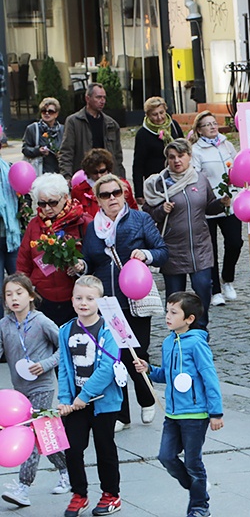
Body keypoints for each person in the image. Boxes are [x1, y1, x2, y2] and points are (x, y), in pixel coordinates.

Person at [75, 173, 168, 432]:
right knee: (113, 358)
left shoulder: (140, 219)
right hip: (106, 303)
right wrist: (80, 266)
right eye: (105, 195)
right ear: (98, 200)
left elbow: (163, 251)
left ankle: (147, 399)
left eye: (116, 192)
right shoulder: (93, 228)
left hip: (135, 299)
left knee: (138, 354)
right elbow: (89, 263)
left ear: (124, 193)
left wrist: (146, 254)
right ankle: (122, 414)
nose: (112, 198)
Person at [134, 291, 223, 517]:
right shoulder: (168, 342)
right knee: (166, 456)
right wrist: (150, 370)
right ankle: (198, 490)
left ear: (189, 319)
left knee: (193, 463)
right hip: (172, 414)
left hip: (195, 414)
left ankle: (199, 506)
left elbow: (209, 376)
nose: (167, 316)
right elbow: (168, 374)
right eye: (167, 311)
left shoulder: (197, 344)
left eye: (174, 312)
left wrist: (216, 412)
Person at [57, 275, 124, 517]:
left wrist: (85, 395)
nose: (83, 303)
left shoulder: (110, 329)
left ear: (100, 301)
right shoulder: (65, 330)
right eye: (79, 298)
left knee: (105, 448)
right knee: (73, 449)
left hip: (103, 403)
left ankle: (111, 494)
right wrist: (66, 398)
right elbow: (64, 367)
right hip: (75, 403)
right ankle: (79, 493)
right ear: (72, 299)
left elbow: (107, 367)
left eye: (89, 298)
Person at [144, 139, 228, 329]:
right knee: (175, 296)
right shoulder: (160, 183)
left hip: (200, 247)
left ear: (189, 156)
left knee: (203, 288)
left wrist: (222, 203)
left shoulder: (199, 178)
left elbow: (210, 207)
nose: (177, 161)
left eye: (181, 156)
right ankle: (177, 333)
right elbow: (148, 212)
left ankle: (200, 329)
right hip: (173, 249)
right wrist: (161, 211)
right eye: (172, 157)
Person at [0, 274, 69, 508]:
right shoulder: (4, 324)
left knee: (28, 433)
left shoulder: (41, 321)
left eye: (19, 293)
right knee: (43, 435)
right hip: (18, 392)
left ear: (30, 296)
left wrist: (46, 364)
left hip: (42, 386)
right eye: (9, 294)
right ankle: (66, 469)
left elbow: (65, 348)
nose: (14, 298)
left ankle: (23, 488)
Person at [17, 173, 92, 327]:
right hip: (43, 297)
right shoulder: (35, 225)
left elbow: (95, 257)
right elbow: (24, 261)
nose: (47, 208)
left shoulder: (83, 221)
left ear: (65, 198)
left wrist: (81, 265)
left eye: (52, 202)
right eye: (42, 204)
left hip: (75, 297)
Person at [189, 111, 242, 307]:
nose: (213, 127)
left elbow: (238, 168)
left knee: (235, 243)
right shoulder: (196, 150)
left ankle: (227, 278)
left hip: (230, 203)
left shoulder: (226, 144)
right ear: (199, 130)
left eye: (214, 123)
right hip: (208, 205)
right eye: (207, 124)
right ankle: (215, 291)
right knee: (211, 249)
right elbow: (195, 177)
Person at [58, 83, 125, 180]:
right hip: (84, 176)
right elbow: (66, 152)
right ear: (87, 98)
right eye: (98, 97)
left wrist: (121, 178)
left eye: (104, 98)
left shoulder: (111, 124)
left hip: (107, 177)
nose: (102, 101)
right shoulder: (74, 121)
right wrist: (67, 177)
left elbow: (118, 156)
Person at [132, 97, 183, 205]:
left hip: (177, 178)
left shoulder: (174, 126)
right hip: (156, 183)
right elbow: (138, 165)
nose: (159, 117)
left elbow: (184, 149)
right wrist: (139, 193)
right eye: (154, 114)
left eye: (161, 112)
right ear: (148, 115)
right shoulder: (143, 134)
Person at [71, 148, 138, 218]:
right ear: (88, 172)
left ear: (108, 169)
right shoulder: (78, 190)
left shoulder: (123, 185)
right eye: (94, 172)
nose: (99, 175)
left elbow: (133, 210)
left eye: (102, 171)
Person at [22, 97, 64, 175]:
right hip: (40, 172)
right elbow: (25, 149)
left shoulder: (63, 130)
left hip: (59, 173)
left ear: (56, 114)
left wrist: (61, 154)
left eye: (50, 111)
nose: (47, 113)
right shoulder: (33, 129)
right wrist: (38, 151)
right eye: (44, 111)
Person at [0, 156, 22, 276]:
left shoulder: (9, 168)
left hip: (13, 238)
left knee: (20, 283)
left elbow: (24, 195)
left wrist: (24, 205)